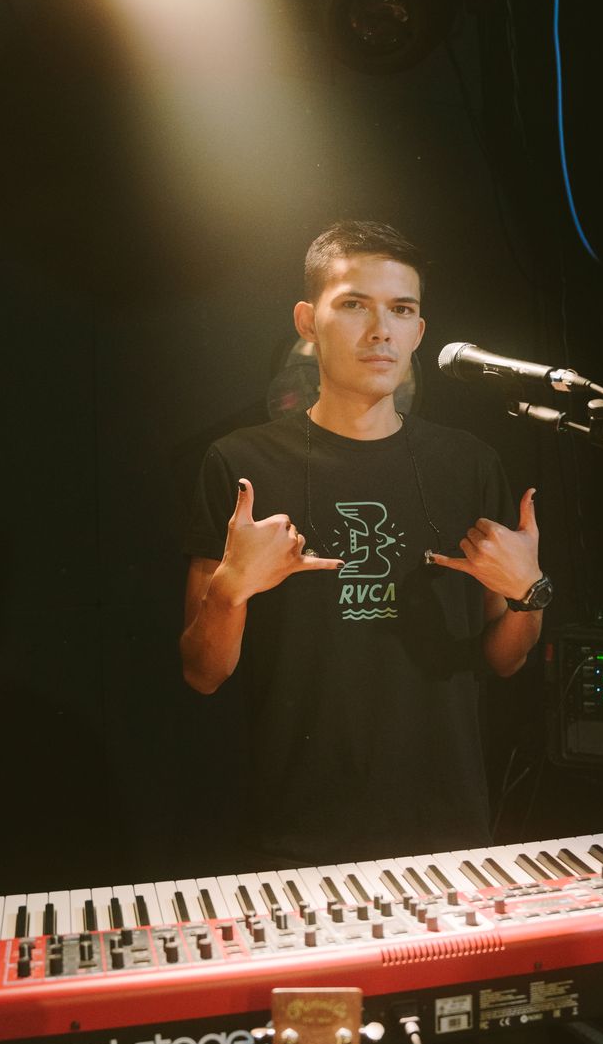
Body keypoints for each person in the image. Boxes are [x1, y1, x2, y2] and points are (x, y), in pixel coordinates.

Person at [180, 221, 551, 864]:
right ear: (308, 320)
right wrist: (231, 590)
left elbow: (506, 661)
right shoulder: (241, 465)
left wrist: (529, 592)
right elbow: (202, 673)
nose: (381, 330)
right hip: (295, 833)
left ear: (419, 331)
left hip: (447, 830)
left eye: (401, 310)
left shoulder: (469, 464)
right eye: (354, 304)